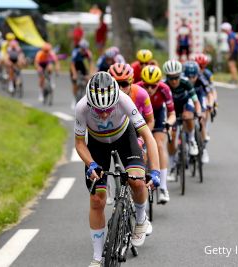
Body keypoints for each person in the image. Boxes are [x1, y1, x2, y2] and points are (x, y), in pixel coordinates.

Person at [74, 72, 160, 267]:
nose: (104, 114)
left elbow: (148, 137)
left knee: (137, 181)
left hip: (125, 139)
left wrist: (154, 171)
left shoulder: (124, 100)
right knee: (97, 199)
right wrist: (91, 164)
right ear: (90, 103)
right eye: (99, 110)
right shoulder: (81, 107)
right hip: (97, 144)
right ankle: (97, 257)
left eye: (108, 109)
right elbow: (79, 144)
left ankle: (140, 218)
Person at [108, 63, 154, 205]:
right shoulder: (104, 97)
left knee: (142, 158)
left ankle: (141, 201)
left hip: (135, 128)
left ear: (131, 82)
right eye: (116, 84)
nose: (120, 89)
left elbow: (150, 121)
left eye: (124, 84)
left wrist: (141, 140)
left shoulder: (141, 94)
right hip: (113, 129)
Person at [136, 65, 176, 203]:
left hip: (158, 116)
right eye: (146, 85)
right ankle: (141, 188)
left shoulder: (165, 89)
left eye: (153, 86)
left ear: (159, 83)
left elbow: (172, 114)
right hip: (142, 117)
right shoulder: (137, 88)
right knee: (142, 151)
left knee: (159, 145)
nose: (149, 89)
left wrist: (169, 123)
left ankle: (163, 187)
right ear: (142, 82)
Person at [162, 60, 201, 179]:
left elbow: (195, 101)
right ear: (166, 77)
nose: (174, 81)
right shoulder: (163, 85)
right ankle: (173, 165)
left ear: (180, 75)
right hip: (171, 109)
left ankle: (191, 140)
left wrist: (198, 112)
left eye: (176, 77)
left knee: (188, 116)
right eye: (171, 78)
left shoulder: (186, 83)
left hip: (185, 105)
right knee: (172, 137)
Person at [183, 60, 211, 164]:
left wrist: (210, 104)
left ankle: (203, 149)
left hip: (199, 95)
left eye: (193, 77)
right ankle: (186, 139)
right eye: (188, 77)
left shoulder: (202, 79)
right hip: (188, 97)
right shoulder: (182, 80)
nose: (191, 79)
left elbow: (210, 93)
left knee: (202, 117)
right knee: (187, 115)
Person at [70, 39, 94, 107]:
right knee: (75, 83)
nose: (83, 51)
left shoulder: (88, 53)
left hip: (82, 66)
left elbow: (91, 63)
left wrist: (90, 74)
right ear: (80, 47)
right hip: (75, 66)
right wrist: (74, 74)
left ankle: (87, 97)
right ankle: (74, 99)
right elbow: (72, 64)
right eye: (82, 49)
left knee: (88, 79)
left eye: (85, 49)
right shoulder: (75, 52)